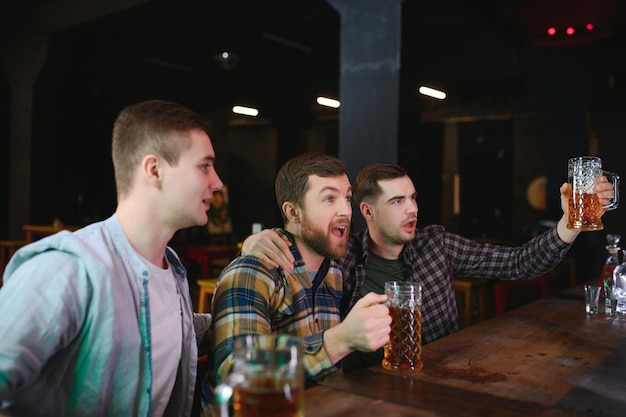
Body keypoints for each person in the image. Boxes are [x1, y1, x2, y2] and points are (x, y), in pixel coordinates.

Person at [242, 161, 615, 371]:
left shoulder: (435, 243)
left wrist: (571, 224)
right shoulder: (344, 258)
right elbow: (307, 238)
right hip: (369, 391)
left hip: (443, 376)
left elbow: (520, 263)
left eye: (414, 198)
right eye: (399, 201)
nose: (413, 209)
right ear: (368, 211)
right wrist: (263, 239)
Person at [0, 99, 223, 417]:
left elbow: (175, 330)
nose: (217, 182)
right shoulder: (67, 269)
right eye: (205, 166)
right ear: (154, 170)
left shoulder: (171, 268)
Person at [202, 153, 390, 414]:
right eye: (328, 198)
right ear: (292, 212)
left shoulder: (333, 269)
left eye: (347, 197)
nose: (346, 210)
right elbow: (234, 376)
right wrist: (339, 341)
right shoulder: (253, 271)